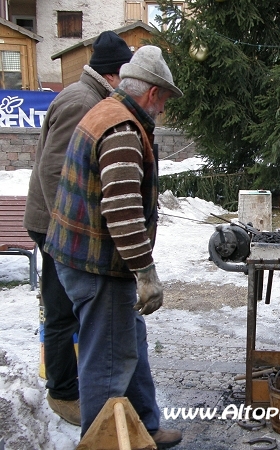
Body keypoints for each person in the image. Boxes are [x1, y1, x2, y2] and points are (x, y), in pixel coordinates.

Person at [44, 45, 183, 447]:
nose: (165, 108)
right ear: (154, 93)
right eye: (167, 99)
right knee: (107, 360)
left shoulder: (107, 110)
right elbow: (122, 210)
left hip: (92, 258)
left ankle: (145, 425)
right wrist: (146, 272)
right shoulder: (121, 129)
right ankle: (101, 441)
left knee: (131, 343)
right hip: (96, 265)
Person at [23, 30, 134, 426]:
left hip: (59, 224)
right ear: (115, 73)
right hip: (54, 225)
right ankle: (63, 392)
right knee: (60, 312)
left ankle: (70, 384)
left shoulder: (90, 97)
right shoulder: (81, 101)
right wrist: (64, 232)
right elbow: (53, 169)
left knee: (67, 308)